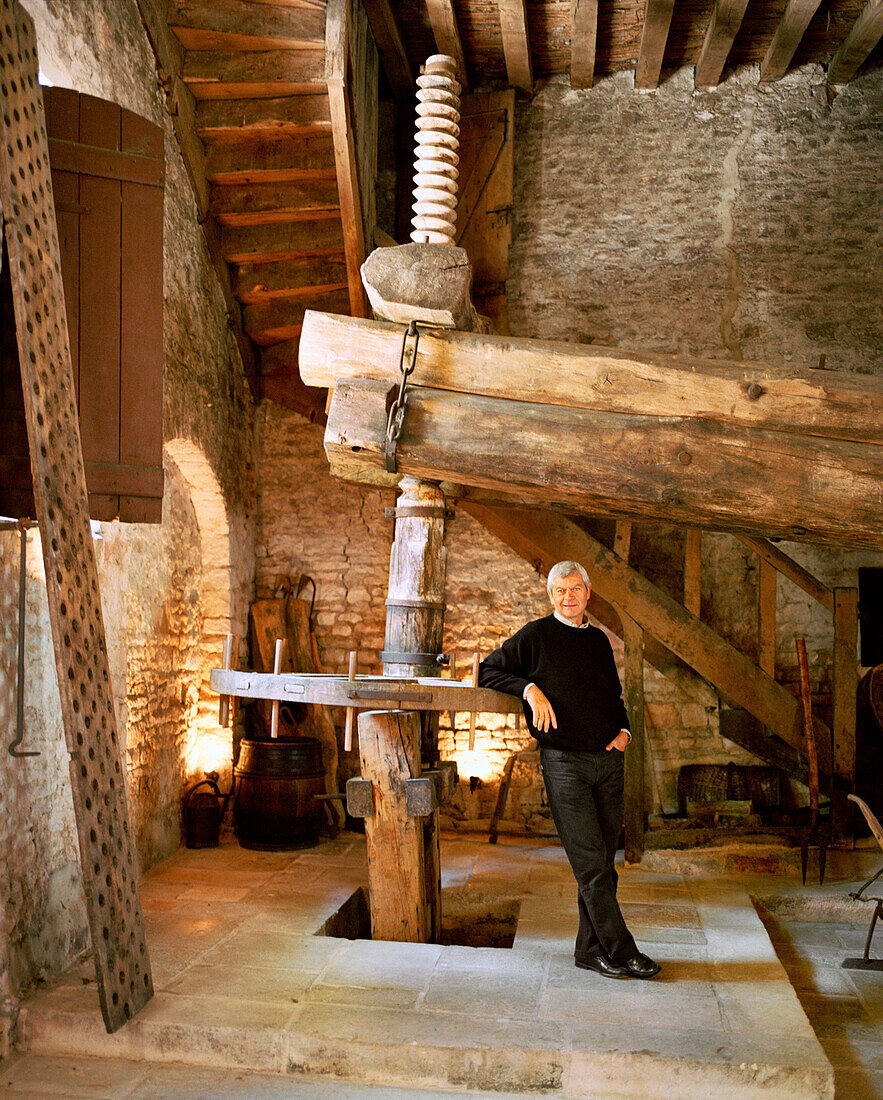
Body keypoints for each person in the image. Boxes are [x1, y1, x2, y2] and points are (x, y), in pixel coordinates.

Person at [479, 560, 660, 980]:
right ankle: (624, 951)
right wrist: (529, 688)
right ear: (551, 595)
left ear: (588, 591)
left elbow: (614, 696)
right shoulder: (536, 636)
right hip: (565, 766)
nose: (568, 596)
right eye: (560, 590)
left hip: (607, 762)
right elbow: (489, 670)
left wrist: (626, 733)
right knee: (591, 865)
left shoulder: (597, 640)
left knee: (602, 864)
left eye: (575, 588)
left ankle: (588, 951)